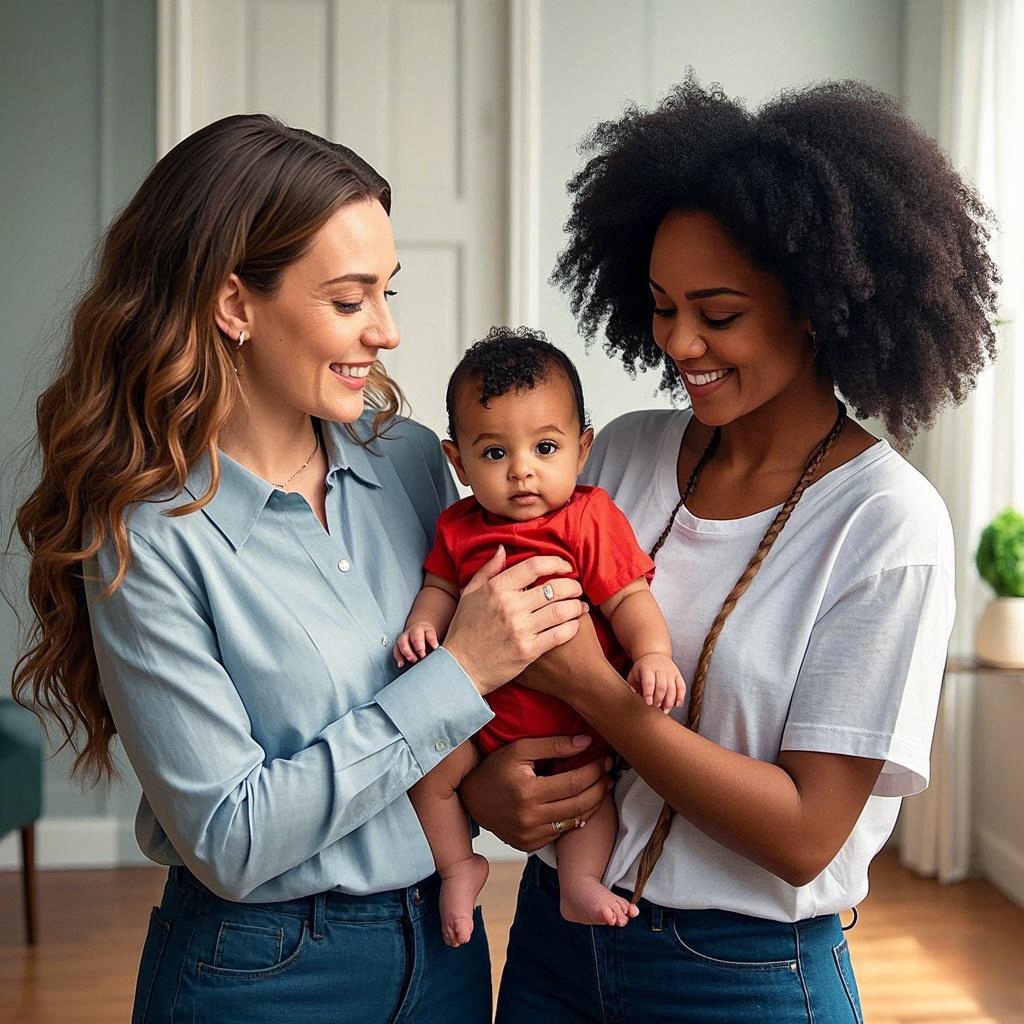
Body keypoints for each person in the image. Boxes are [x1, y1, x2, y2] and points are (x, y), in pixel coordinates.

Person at [10, 114, 599, 1024]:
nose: (389, 333)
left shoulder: (408, 459)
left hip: (446, 947)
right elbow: (231, 837)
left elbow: (432, 748)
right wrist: (461, 672)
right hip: (264, 974)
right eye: (350, 299)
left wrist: (486, 788)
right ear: (234, 303)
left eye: (388, 293)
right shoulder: (144, 535)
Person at [458, 76, 999, 1022]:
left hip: (743, 978)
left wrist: (595, 690)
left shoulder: (886, 523)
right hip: (556, 942)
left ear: (817, 306)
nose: (680, 342)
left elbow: (804, 837)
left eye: (719, 312)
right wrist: (493, 794)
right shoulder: (614, 450)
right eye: (663, 306)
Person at [395, 327, 685, 946]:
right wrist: (423, 623)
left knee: (589, 801)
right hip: (482, 724)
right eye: (495, 453)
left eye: (545, 447)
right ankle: (458, 866)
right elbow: (441, 589)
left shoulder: (587, 518)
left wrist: (651, 654)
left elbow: (629, 595)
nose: (522, 471)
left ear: (582, 450)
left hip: (574, 720)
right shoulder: (458, 526)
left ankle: (579, 885)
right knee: (427, 770)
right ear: (459, 462)